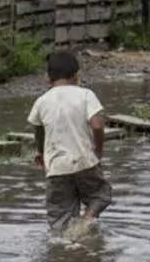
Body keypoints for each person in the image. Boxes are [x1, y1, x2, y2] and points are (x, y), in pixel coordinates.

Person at [28, 51, 112, 234]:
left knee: (59, 217)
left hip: (57, 167)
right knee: (100, 194)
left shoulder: (42, 101)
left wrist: (41, 154)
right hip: (84, 160)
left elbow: (38, 130)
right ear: (77, 75)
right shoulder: (86, 95)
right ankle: (88, 219)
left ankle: (64, 249)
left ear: (47, 78)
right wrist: (98, 150)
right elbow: (97, 125)